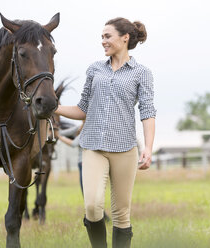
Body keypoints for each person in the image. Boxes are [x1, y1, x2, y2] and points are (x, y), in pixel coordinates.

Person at [55, 17, 156, 248]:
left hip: (124, 149)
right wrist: (54, 107)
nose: (103, 41)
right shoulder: (95, 69)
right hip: (93, 146)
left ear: (125, 38)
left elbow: (148, 112)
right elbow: (82, 108)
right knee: (92, 205)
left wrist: (148, 148)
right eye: (101, 37)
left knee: (121, 213)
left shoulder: (141, 73)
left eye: (107, 36)